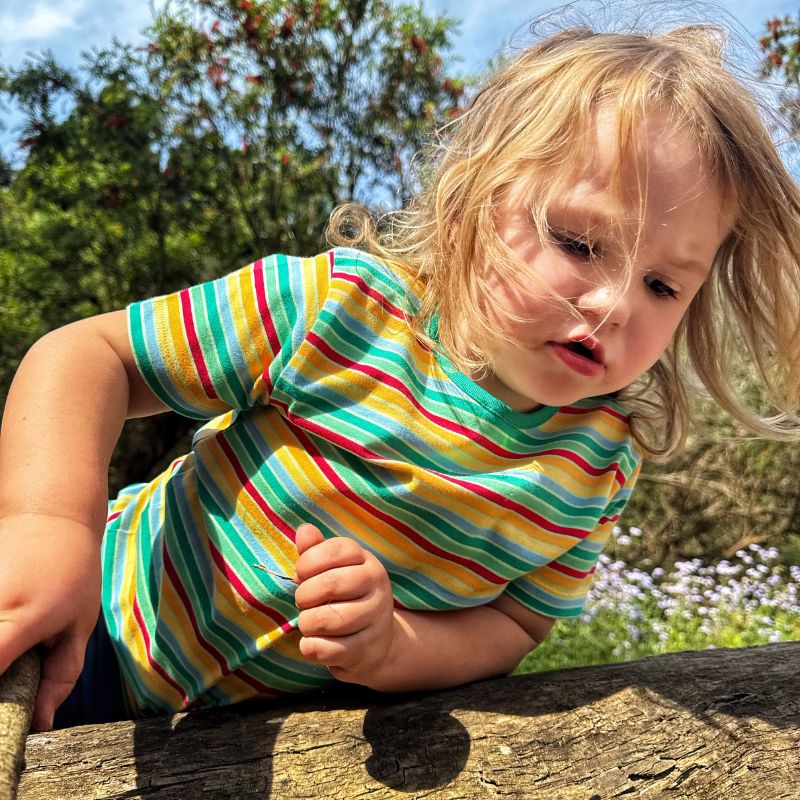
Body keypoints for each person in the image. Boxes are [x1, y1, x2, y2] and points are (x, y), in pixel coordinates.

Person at [1, 20, 799, 732]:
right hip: (93, 620)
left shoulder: (594, 466)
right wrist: (48, 529)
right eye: (580, 243)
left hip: (259, 740)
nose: (616, 302)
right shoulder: (338, 310)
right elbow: (86, 357)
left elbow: (515, 628)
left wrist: (395, 648)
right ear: (474, 203)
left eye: (664, 285)